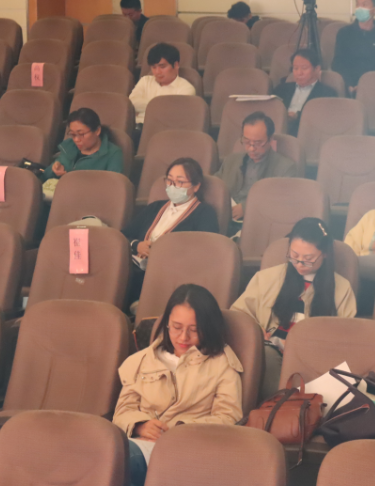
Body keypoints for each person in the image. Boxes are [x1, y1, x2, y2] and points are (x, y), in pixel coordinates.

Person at [115, 284, 243, 486]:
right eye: (176, 327)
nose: (183, 337)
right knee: (98, 455)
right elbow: (123, 411)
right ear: (166, 323)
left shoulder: (222, 364)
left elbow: (229, 418)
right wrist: (140, 425)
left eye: (194, 330)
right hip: (138, 443)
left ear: (208, 328)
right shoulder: (142, 360)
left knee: (116, 462)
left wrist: (178, 430)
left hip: (186, 450)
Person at [232, 218, 356, 400]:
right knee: (265, 355)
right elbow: (238, 316)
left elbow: (347, 338)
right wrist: (256, 332)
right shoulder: (266, 278)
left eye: (308, 259)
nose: (299, 263)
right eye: (294, 255)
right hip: (271, 353)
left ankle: (286, 407)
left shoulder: (342, 289)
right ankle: (282, 406)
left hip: (314, 361)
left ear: (325, 254)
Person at [122, 158, 220, 306]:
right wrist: (137, 245)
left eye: (180, 182)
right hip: (136, 265)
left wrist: (162, 252)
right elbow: (122, 236)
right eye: (169, 180)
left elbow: (205, 251)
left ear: (196, 186)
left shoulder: (204, 213)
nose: (173, 186)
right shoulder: (154, 207)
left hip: (171, 271)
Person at [214, 112, 299, 231]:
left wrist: (247, 207)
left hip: (260, 226)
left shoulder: (286, 168)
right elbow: (215, 187)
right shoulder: (231, 160)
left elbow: (282, 203)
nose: (251, 148)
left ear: (270, 139)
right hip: (223, 221)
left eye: (258, 143)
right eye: (247, 141)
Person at [128, 43, 196, 142]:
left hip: (165, 132)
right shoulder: (145, 81)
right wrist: (162, 106)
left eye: (162, 67)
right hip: (137, 128)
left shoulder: (186, 89)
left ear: (176, 65)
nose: (157, 72)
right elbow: (131, 103)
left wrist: (144, 108)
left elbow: (172, 115)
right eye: (154, 67)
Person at [331, 0, 375, 93]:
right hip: (347, 84)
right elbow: (338, 62)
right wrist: (349, 84)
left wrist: (365, 84)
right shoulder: (344, 33)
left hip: (373, 86)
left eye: (364, 5)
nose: (360, 8)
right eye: (358, 4)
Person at [42, 107, 123, 180]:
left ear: (97, 131)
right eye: (73, 134)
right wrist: (53, 169)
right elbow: (44, 176)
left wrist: (71, 179)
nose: (76, 139)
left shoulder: (112, 154)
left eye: (81, 134)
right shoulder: (68, 147)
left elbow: (112, 186)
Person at [272, 47, 338, 135]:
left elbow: (323, 120)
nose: (299, 73)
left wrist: (297, 116)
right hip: (278, 132)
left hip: (308, 134)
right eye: (295, 68)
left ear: (317, 69)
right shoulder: (281, 89)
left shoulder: (327, 93)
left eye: (304, 68)